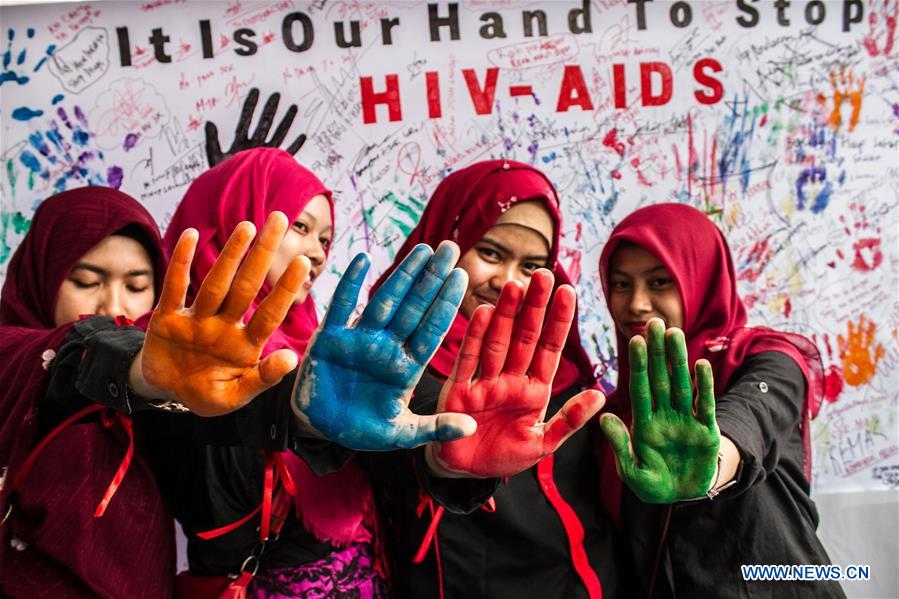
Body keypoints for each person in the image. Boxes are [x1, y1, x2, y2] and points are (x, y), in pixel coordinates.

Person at [150, 147, 473, 598]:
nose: (317, 254)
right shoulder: (162, 360)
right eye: (300, 228)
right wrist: (288, 416)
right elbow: (211, 501)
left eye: (324, 239)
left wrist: (451, 463)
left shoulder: (318, 348)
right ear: (236, 220)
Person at [363, 160, 627, 598]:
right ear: (446, 243)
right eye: (490, 253)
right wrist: (441, 457)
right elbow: (387, 448)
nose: (507, 282)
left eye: (531, 265)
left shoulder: (558, 357)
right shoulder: (390, 355)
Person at [596, 202, 844, 598]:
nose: (636, 304)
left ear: (702, 279)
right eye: (622, 284)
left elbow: (749, 417)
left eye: (660, 282)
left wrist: (710, 467)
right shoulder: (615, 416)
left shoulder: (767, 360)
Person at [0, 187, 175, 598]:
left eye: (136, 287)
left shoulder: (174, 383)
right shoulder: (13, 357)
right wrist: (133, 369)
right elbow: (77, 353)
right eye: (86, 281)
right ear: (41, 275)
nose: (112, 305)